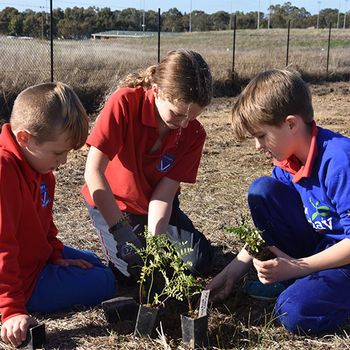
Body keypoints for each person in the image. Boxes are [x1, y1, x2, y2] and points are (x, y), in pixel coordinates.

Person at [207, 68, 350, 334]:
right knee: (262, 191)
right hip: (320, 245)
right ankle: (306, 281)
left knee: (293, 311)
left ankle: (311, 286)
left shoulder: (340, 161)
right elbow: (269, 225)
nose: (258, 146)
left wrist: (296, 267)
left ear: (291, 124)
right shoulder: (288, 162)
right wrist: (232, 271)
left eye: (261, 135)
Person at [0, 82, 116, 348]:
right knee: (106, 281)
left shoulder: (42, 172)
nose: (63, 161)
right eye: (58, 152)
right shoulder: (4, 171)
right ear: (24, 139)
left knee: (96, 263)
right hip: (21, 280)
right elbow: (2, 244)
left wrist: (56, 255)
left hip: (35, 261)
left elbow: (45, 225)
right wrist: (12, 308)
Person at [82, 49, 214, 281]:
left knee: (198, 261)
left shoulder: (193, 133)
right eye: (177, 114)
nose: (183, 124)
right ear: (156, 91)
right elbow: (93, 172)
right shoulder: (125, 103)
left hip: (154, 207)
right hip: (114, 204)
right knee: (132, 271)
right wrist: (120, 230)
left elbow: (164, 195)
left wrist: (156, 241)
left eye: (191, 117)